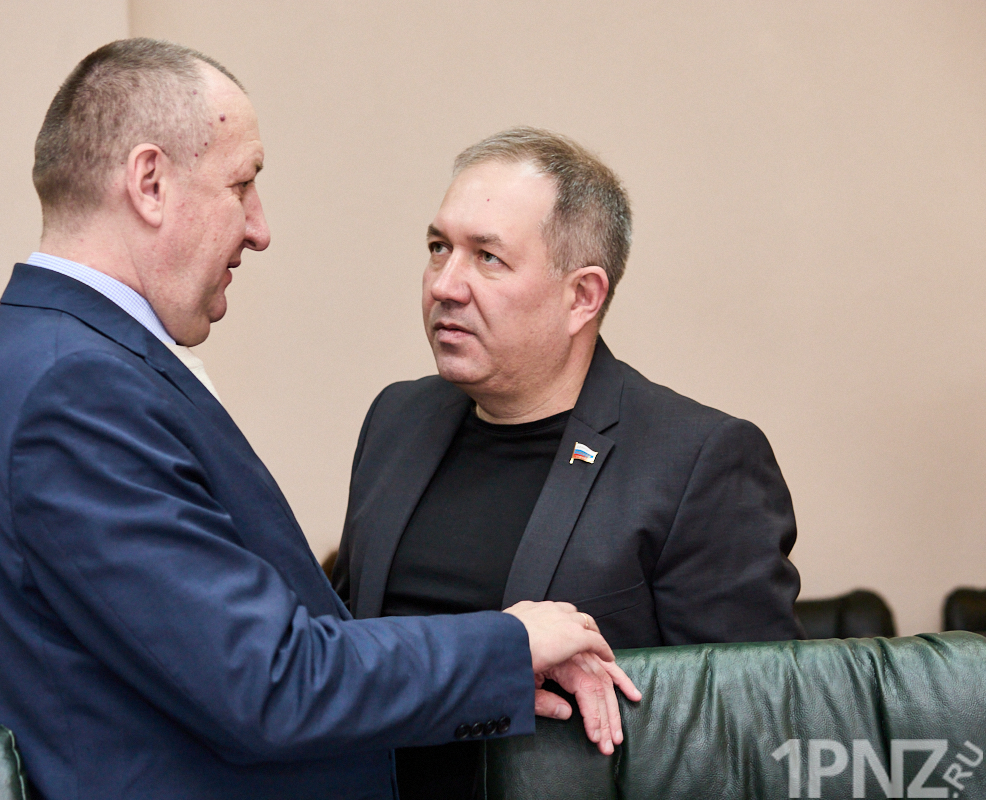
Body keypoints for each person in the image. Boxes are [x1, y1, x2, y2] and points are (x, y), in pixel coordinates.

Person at [0, 41, 640, 800]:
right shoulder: (76, 389)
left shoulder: (64, 358)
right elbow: (267, 681)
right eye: (242, 184)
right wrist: (512, 642)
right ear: (149, 183)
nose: (259, 227)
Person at [332, 127, 802, 799]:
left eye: (488, 257)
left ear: (582, 296)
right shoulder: (397, 419)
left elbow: (749, 726)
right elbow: (346, 643)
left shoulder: (699, 460)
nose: (446, 284)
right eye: (439, 248)